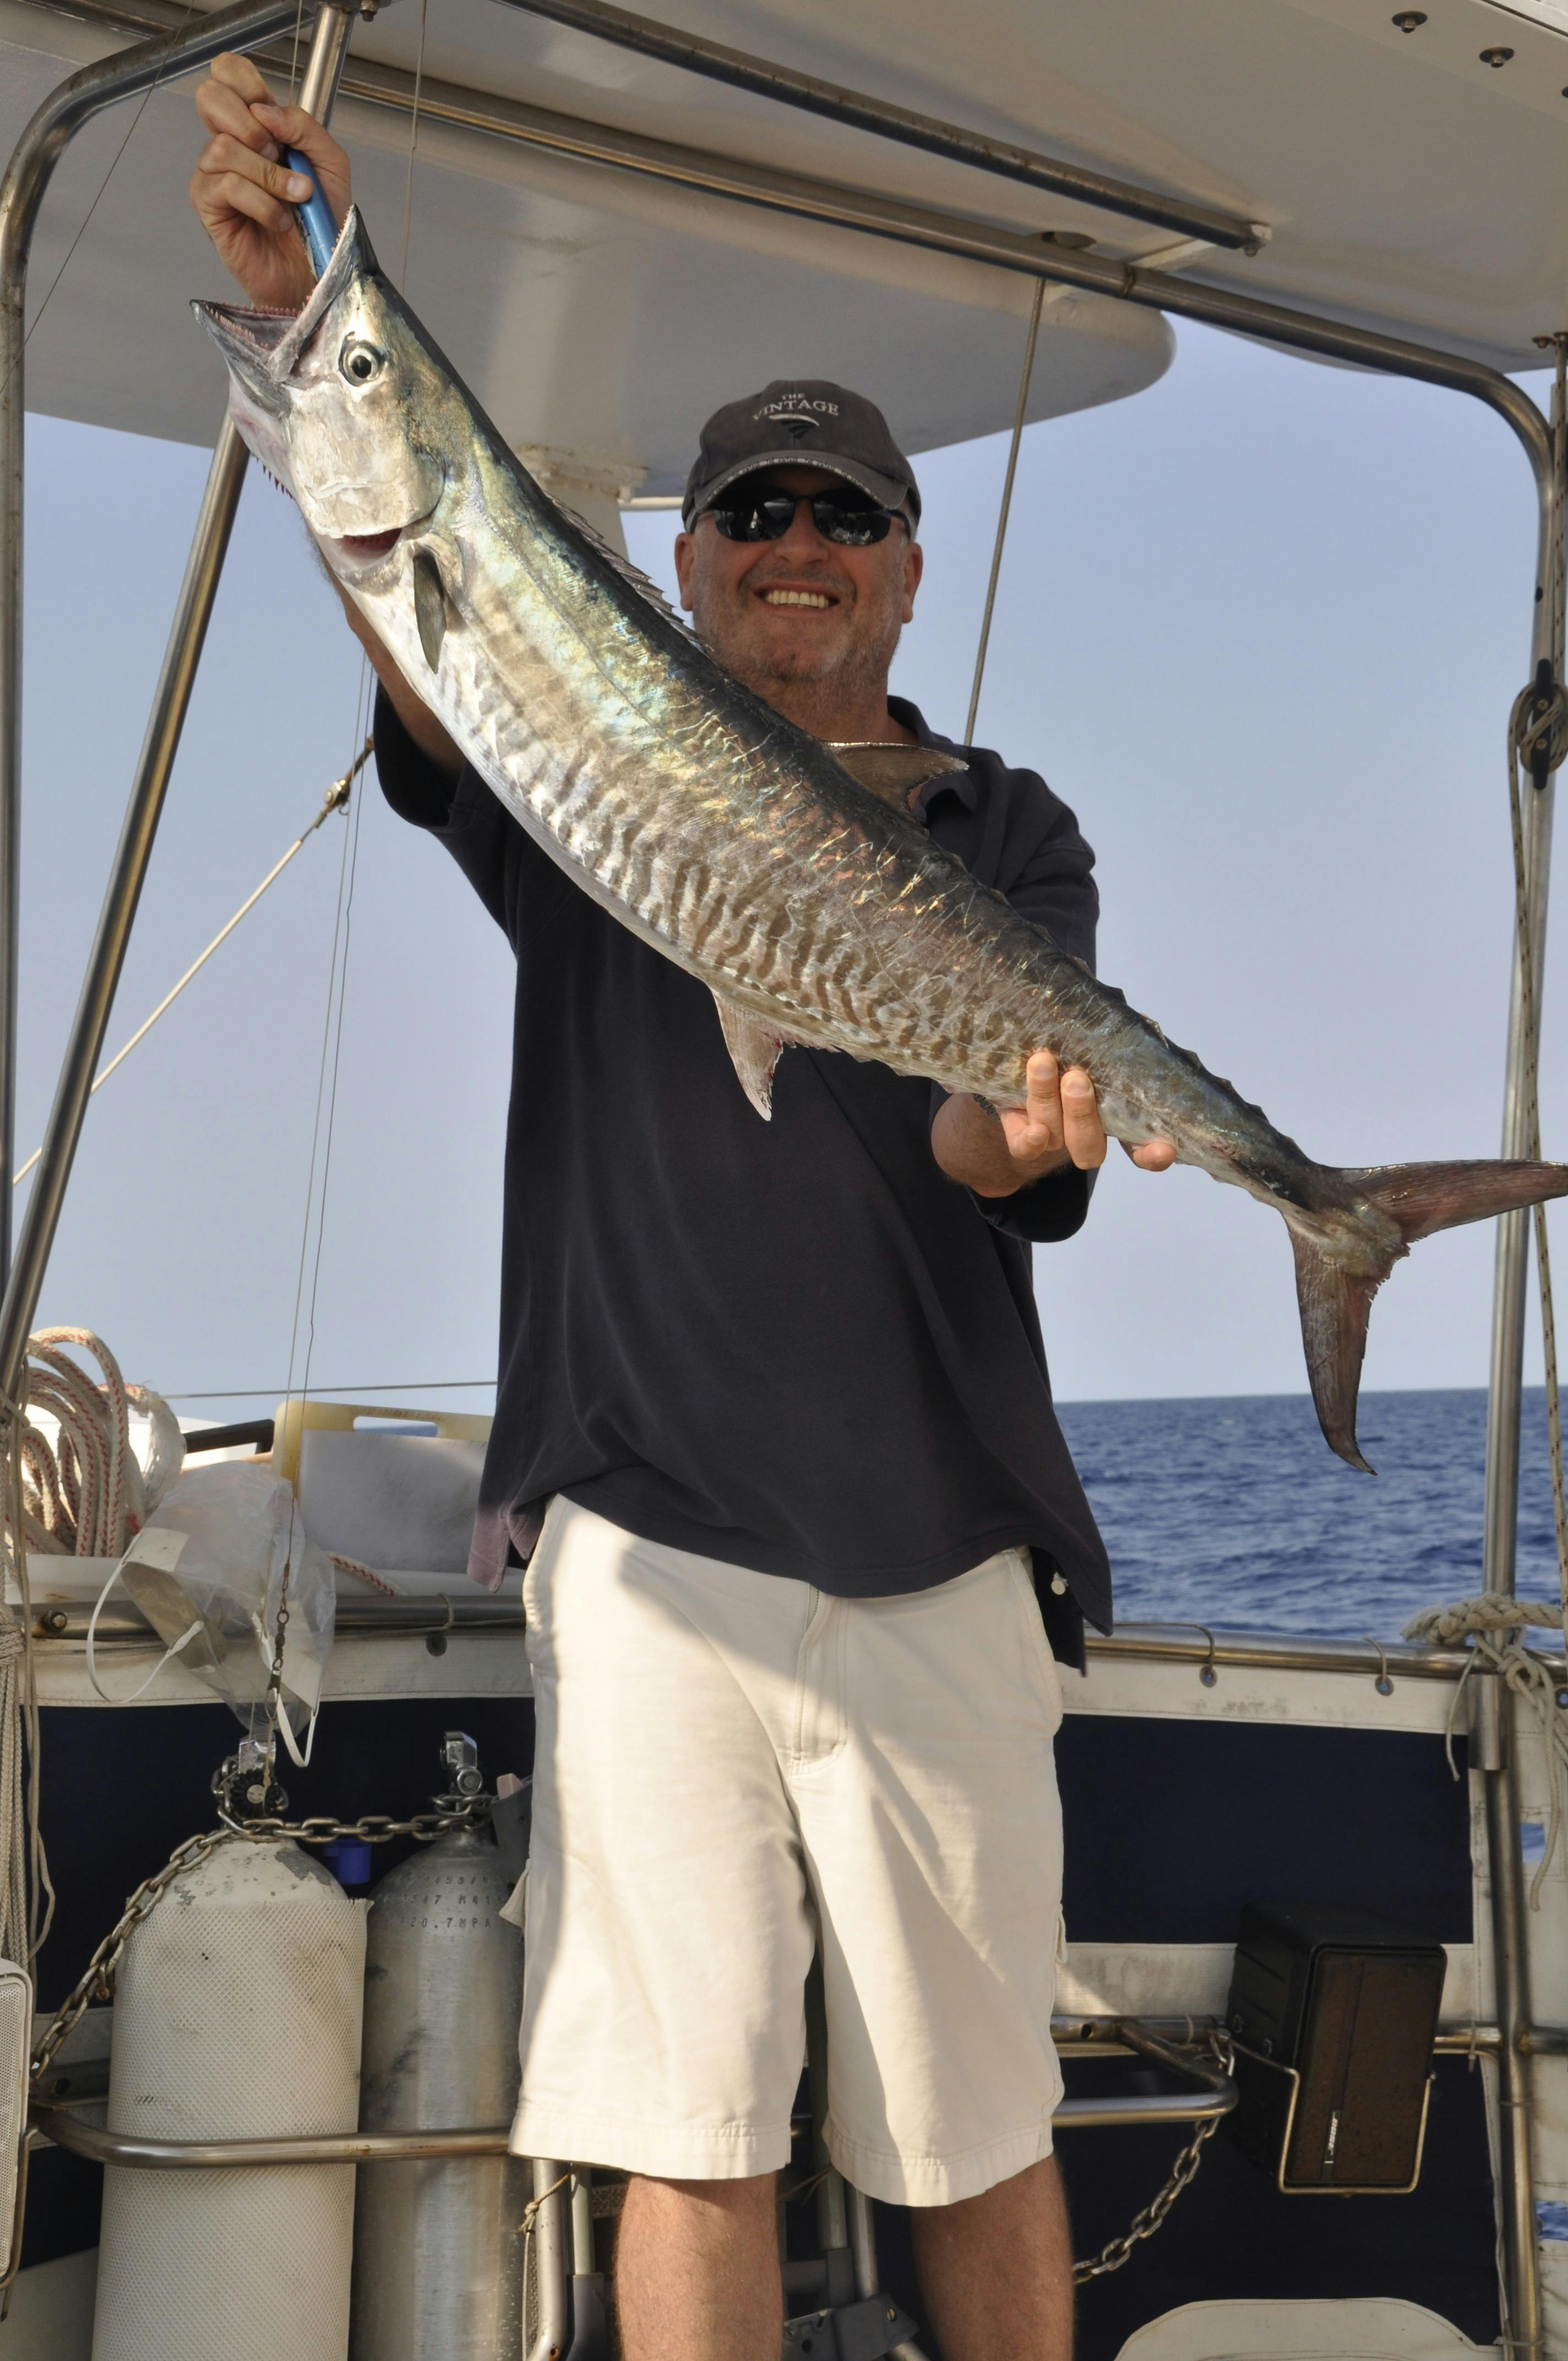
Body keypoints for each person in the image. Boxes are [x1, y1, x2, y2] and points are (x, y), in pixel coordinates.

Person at [190, 58, 1175, 2361]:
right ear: (702, 561)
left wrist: (1034, 1134)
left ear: (906, 560)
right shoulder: (580, 772)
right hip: (649, 1554)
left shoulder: (1005, 831)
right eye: (754, 513)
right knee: (690, 2126)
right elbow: (446, 624)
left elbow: (966, 1144)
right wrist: (307, 283)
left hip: (942, 1551)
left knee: (978, 2124)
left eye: (841, 508)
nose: (796, 542)